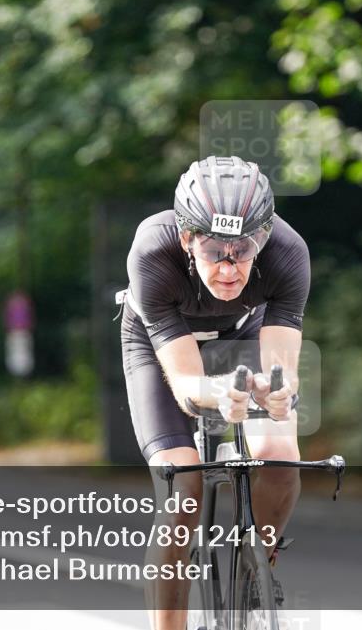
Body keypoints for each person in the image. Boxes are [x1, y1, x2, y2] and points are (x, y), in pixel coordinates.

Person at [120, 156, 309, 630]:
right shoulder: (152, 253)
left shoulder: (288, 253)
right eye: (213, 251)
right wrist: (219, 394)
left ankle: (256, 573)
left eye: (243, 250)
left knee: (281, 456)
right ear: (187, 238)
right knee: (183, 488)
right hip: (160, 341)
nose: (228, 268)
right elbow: (186, 386)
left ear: (263, 238)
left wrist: (279, 392)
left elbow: (283, 367)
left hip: (244, 333)